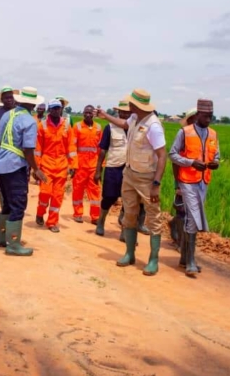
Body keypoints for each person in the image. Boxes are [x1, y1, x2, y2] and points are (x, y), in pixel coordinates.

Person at [97, 89, 168, 276]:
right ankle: (129, 253)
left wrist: (156, 184)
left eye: (131, 104)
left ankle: (153, 260)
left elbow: (162, 156)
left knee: (153, 218)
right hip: (129, 174)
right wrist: (105, 116)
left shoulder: (153, 126)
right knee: (129, 214)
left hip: (147, 178)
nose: (129, 107)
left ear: (137, 105)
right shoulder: (135, 119)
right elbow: (123, 123)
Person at [169, 99, 220, 277]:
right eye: (205, 116)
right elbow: (172, 154)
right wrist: (190, 162)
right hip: (187, 180)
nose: (208, 119)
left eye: (210, 116)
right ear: (197, 115)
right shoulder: (184, 132)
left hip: (203, 181)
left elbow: (217, 155)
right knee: (192, 218)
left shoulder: (213, 134)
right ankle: (190, 261)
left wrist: (215, 163)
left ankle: (185, 258)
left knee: (192, 218)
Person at [0, 86, 48, 255]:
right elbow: (28, 149)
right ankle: (14, 244)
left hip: (1, 162)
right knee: (18, 204)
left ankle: (1, 238)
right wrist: (36, 169)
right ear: (33, 104)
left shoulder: (6, 115)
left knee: (7, 203)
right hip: (15, 165)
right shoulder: (29, 121)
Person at [35, 99, 76, 233]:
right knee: (45, 193)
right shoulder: (42, 126)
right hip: (46, 165)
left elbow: (71, 147)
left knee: (57, 196)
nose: (55, 110)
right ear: (49, 110)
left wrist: (73, 165)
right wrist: (36, 168)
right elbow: (38, 149)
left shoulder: (66, 126)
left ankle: (52, 222)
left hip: (61, 166)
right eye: (53, 108)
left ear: (61, 109)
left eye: (57, 108)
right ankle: (40, 212)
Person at [94, 98, 131, 237]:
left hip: (129, 168)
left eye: (128, 112)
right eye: (123, 112)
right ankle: (101, 221)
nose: (126, 115)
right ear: (118, 111)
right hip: (113, 166)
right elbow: (103, 149)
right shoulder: (110, 127)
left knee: (128, 199)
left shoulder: (135, 126)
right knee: (109, 197)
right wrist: (98, 170)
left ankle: (124, 229)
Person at [169, 108, 197, 247]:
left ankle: (174, 225)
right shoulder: (184, 136)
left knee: (191, 212)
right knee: (182, 211)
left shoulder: (204, 137)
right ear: (191, 120)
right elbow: (175, 160)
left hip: (197, 182)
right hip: (183, 180)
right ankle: (181, 242)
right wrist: (177, 184)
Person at [72, 105, 102, 224]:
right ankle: (78, 214)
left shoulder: (99, 128)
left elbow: (101, 149)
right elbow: (72, 147)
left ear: (93, 114)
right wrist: (73, 165)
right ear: (83, 113)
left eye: (90, 113)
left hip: (94, 166)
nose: (88, 115)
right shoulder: (77, 127)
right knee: (78, 190)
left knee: (95, 192)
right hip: (80, 166)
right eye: (86, 112)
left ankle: (95, 217)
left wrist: (101, 168)